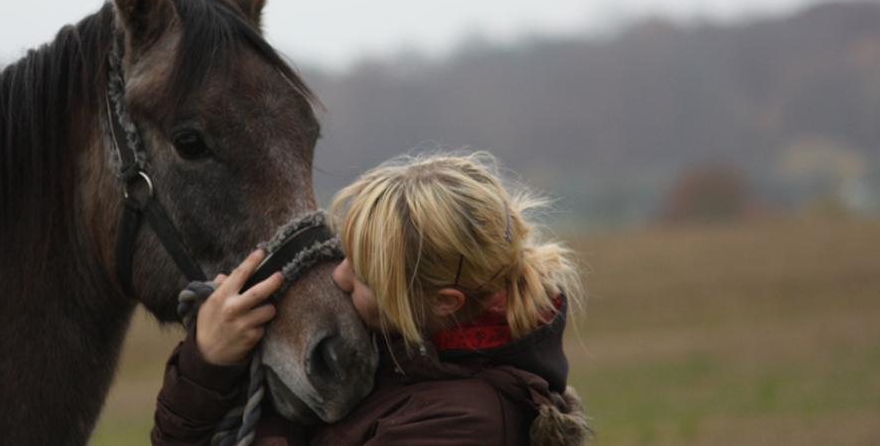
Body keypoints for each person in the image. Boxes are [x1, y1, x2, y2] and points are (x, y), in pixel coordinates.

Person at [152, 152, 590, 445]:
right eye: (345, 254)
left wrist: (205, 374)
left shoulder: (464, 425)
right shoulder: (404, 344)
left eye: (364, 275)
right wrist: (213, 354)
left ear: (445, 303)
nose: (339, 276)